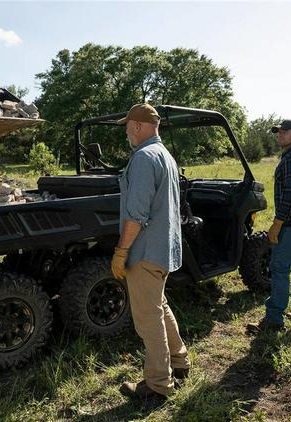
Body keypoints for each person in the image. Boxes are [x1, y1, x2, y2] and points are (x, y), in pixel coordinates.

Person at [111, 103, 190, 399]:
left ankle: (158, 385)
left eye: (128, 127)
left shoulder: (144, 157)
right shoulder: (164, 155)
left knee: (148, 318)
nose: (127, 133)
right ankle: (180, 362)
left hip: (144, 252)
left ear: (136, 126)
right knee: (160, 306)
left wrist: (121, 251)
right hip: (163, 248)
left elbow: (136, 215)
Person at [247, 120, 291, 333]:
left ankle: (274, 319)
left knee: (278, 267)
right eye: (278, 132)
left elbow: (289, 196)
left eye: (284, 132)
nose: (280, 135)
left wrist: (277, 224)